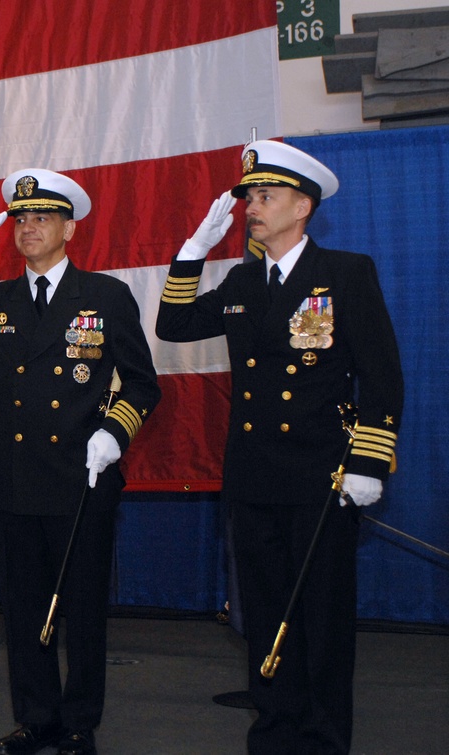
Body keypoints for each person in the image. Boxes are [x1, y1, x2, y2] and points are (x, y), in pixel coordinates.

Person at [156, 141, 403, 754]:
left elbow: (382, 375)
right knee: (265, 613)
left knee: (320, 616)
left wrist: (369, 460)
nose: (251, 209)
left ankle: (321, 737)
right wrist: (192, 254)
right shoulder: (243, 280)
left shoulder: (346, 273)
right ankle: (273, 728)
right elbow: (174, 326)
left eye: (265, 197)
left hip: (322, 476)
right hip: (254, 474)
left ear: (303, 206)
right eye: (249, 199)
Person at [0, 169, 161, 755]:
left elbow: (143, 386)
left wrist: (113, 433)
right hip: (16, 481)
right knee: (23, 611)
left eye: (42, 217)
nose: (28, 227)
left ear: (69, 228)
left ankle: (78, 725)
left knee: (81, 611)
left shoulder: (104, 295)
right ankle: (35, 719)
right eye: (20, 219)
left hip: (82, 480)